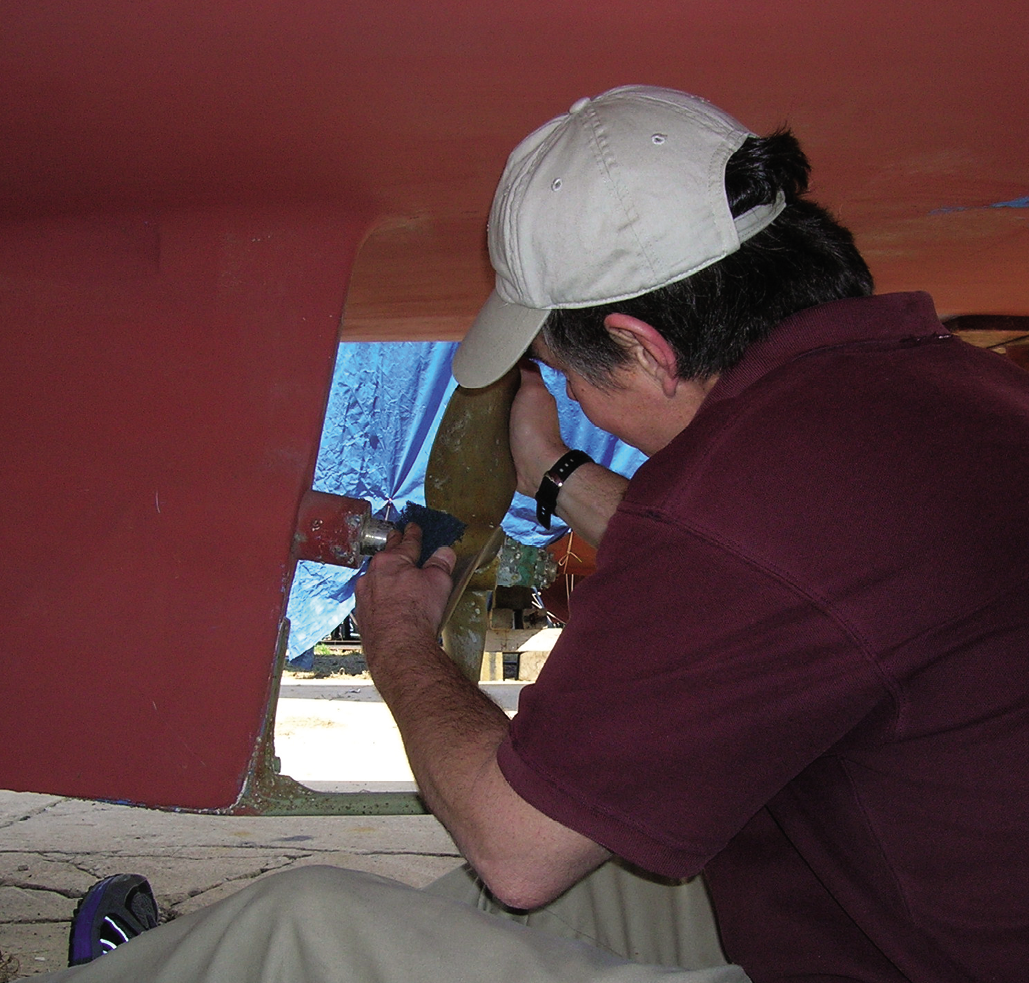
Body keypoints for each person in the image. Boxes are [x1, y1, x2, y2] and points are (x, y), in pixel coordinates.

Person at [40, 85, 1029, 982]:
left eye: (569, 368)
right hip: (886, 910)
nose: (571, 388)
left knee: (311, 925)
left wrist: (395, 637)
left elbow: (517, 849)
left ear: (643, 347)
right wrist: (552, 473)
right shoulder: (954, 389)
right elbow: (802, 579)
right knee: (594, 872)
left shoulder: (744, 500)